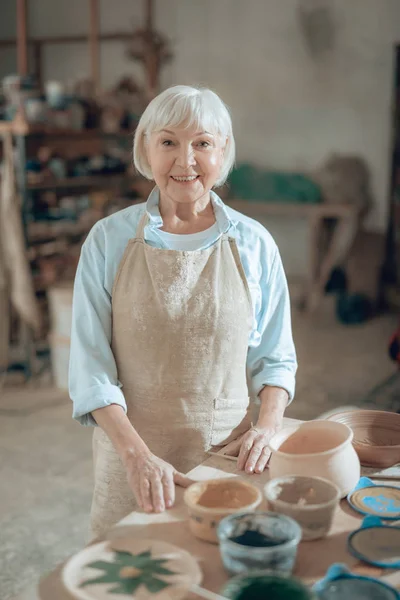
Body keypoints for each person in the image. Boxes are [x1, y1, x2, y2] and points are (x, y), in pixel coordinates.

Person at [69, 85, 297, 537]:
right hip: (130, 458)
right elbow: (90, 366)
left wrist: (268, 427)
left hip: (224, 458)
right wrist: (137, 456)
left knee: (212, 573)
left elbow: (275, 358)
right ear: (146, 148)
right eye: (168, 142)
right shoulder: (108, 239)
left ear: (223, 150)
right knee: (130, 574)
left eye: (203, 143)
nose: (185, 160)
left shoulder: (254, 243)